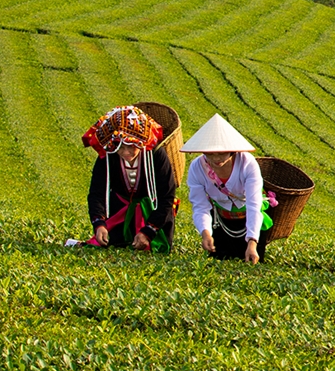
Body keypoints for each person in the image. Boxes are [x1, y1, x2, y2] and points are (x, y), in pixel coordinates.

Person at [83, 105, 179, 252]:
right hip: (119, 210)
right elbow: (97, 192)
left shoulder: (156, 155)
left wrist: (148, 232)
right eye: (120, 147)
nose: (126, 152)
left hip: (152, 212)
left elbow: (167, 197)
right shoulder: (108, 156)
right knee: (111, 244)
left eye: (132, 146)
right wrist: (99, 224)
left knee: (155, 248)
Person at [182, 114, 272, 264]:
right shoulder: (197, 167)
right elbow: (200, 205)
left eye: (222, 153)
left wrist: (252, 242)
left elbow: (253, 205)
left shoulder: (247, 164)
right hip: (220, 220)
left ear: (232, 150)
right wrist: (205, 233)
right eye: (211, 153)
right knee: (221, 261)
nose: (217, 158)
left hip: (249, 221)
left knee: (251, 262)